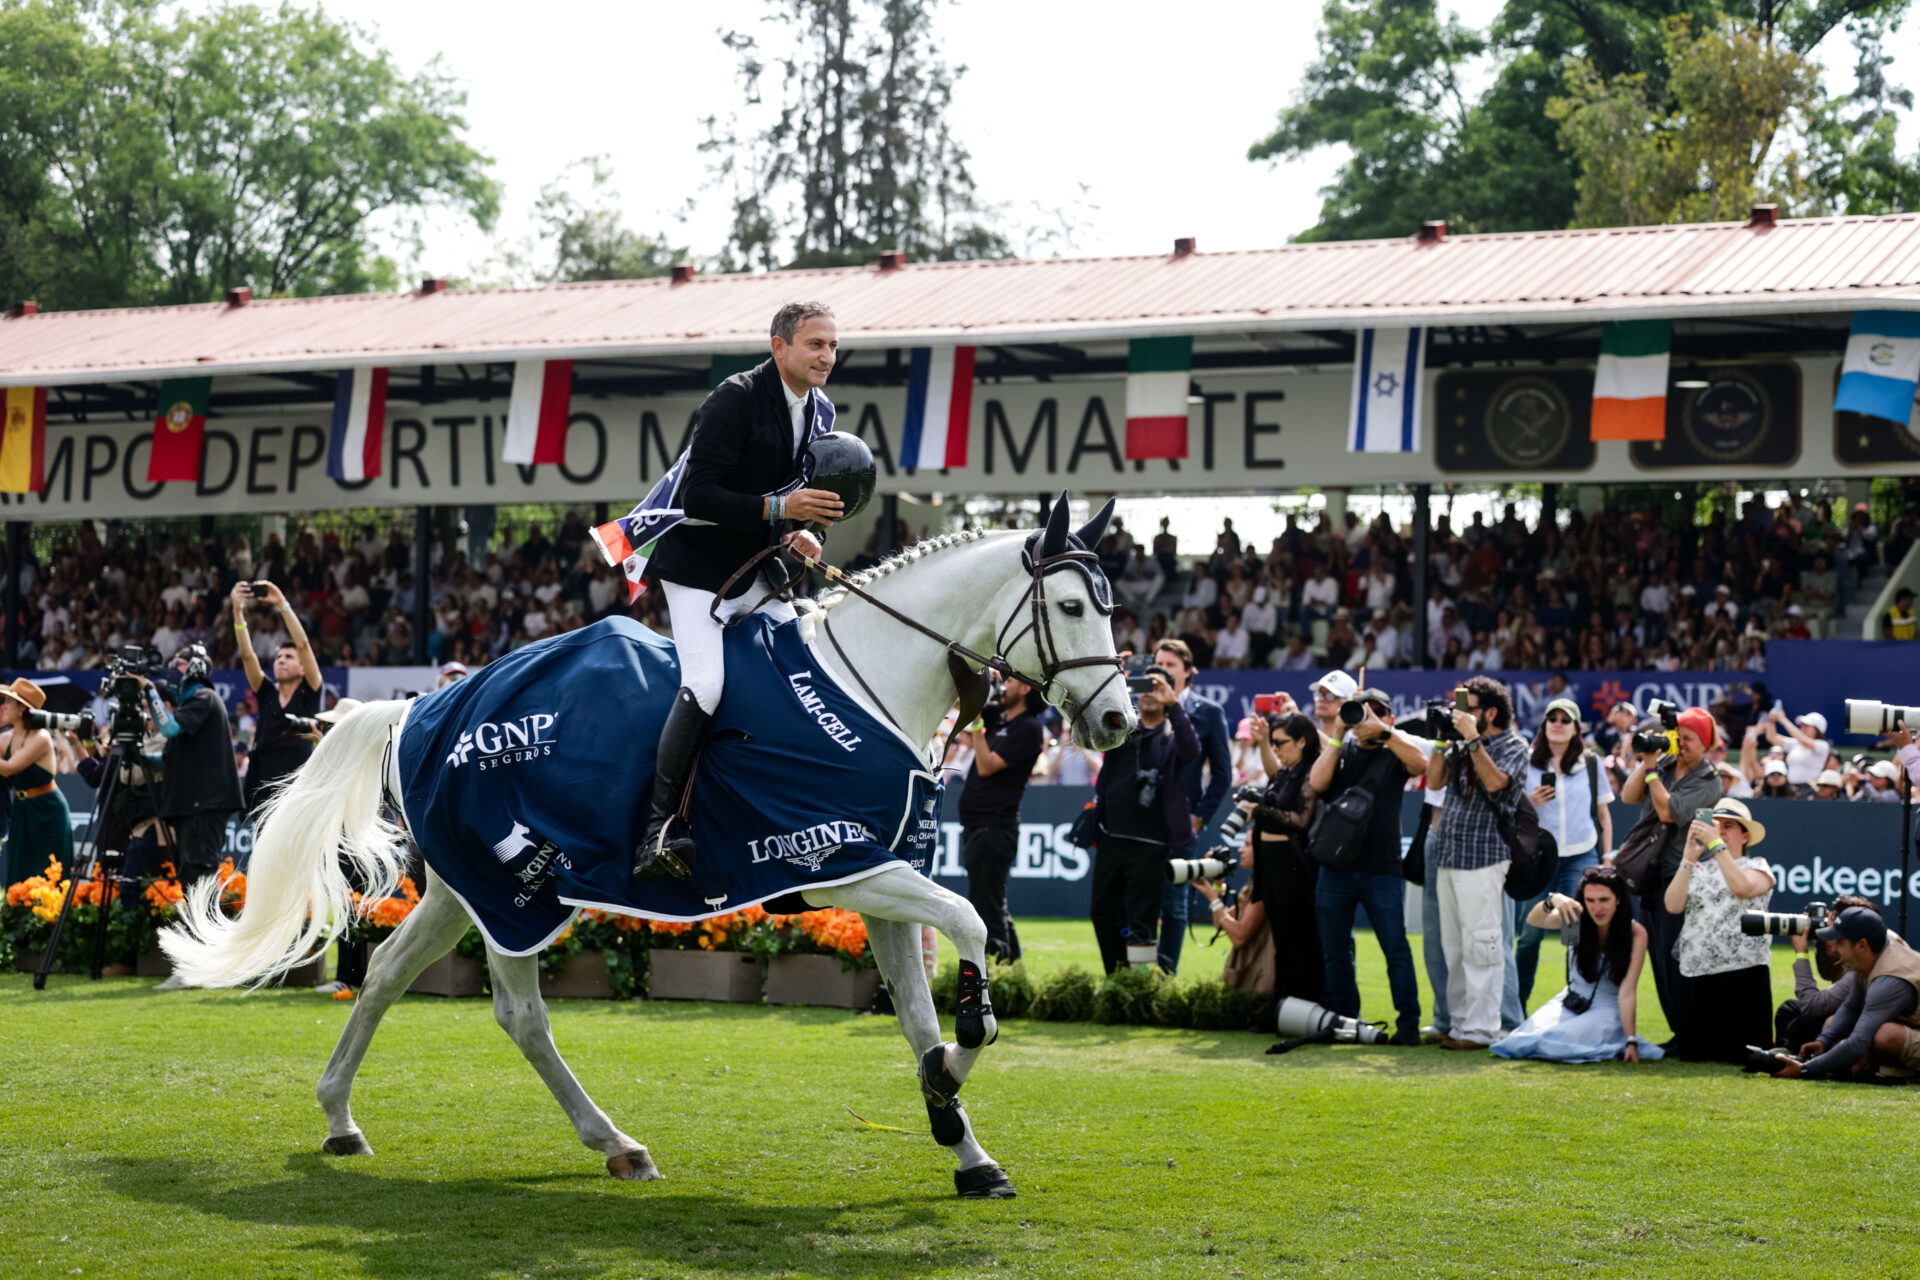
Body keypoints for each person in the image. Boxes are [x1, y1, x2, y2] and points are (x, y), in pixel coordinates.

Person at [624, 300, 847, 882]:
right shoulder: (735, 398)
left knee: (809, 663)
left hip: (758, 563)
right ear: (780, 347)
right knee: (708, 681)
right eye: (815, 345)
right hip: (698, 566)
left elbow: (801, 500)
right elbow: (699, 496)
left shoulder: (821, 409)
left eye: (832, 345)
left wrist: (805, 532)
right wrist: (781, 509)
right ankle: (659, 827)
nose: (827, 356)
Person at [1305, 686, 1429, 1044]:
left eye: (1377, 711)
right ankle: (1347, 1023)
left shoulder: (1394, 751)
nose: (1367, 717)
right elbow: (1317, 783)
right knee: (1335, 952)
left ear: (1389, 717)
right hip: (1335, 869)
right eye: (1362, 711)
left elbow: (1420, 764)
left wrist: (1384, 733)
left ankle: (1408, 1025)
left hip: (1383, 870)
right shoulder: (1339, 750)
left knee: (1395, 949)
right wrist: (1340, 731)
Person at [1425, 675, 1529, 1051]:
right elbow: (1433, 782)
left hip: (1484, 857)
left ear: (1490, 712)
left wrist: (1471, 739)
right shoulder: (1456, 745)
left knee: (1482, 945)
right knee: (1453, 946)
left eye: (1467, 709)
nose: (1459, 715)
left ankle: (1483, 1030)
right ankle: (1460, 1025)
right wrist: (1440, 737)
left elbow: (1497, 782)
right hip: (1450, 854)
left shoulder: (1514, 746)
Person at [1618, 704, 1722, 1046]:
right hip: (1651, 873)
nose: (1683, 743)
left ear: (1705, 744)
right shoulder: (1663, 763)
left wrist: (1650, 770)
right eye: (1680, 736)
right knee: (1657, 957)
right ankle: (1679, 1031)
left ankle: (1690, 1031)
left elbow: (1667, 812)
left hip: (1680, 876)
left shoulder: (1709, 781)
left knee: (1676, 955)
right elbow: (1628, 796)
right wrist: (1648, 758)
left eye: (1690, 738)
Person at [1495, 866, 1662, 1063]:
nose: (1597, 908)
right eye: (1590, 900)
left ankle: (1608, 1039)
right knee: (1521, 1040)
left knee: (1558, 1041)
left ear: (1618, 899)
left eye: (1604, 900)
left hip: (1608, 1007)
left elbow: (1627, 992)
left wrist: (1631, 1041)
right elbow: (1535, 920)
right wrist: (1552, 900)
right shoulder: (1574, 920)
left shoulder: (1636, 933)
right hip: (1571, 1001)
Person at [1090, 666, 1198, 972]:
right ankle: (1116, 978)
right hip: (1111, 839)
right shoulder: (1121, 729)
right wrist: (1109, 679)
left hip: (1151, 845)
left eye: (1157, 686)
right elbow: (1090, 719)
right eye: (1144, 685)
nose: (1149, 692)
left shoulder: (1173, 736)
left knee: (1142, 920)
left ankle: (1138, 986)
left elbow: (1192, 750)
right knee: (1102, 912)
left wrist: (1174, 705)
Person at [1513, 698, 1614, 1005]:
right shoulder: (1525, 760)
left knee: (1576, 933)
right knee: (1530, 934)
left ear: (1575, 728)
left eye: (1565, 719)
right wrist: (1532, 801)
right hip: (1538, 858)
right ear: (1544, 725)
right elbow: (1510, 810)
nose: (1558, 723)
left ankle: (1577, 1001)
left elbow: (1604, 816)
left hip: (1581, 856)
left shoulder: (1591, 763)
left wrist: (1607, 858)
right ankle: (1516, 1008)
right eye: (1552, 718)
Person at [1663, 798, 1776, 1062]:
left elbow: (1742, 888)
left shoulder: (1757, 865)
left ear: (1745, 836)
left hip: (1743, 974)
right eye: (1715, 825)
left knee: (1740, 1055)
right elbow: (1672, 905)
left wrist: (1716, 845)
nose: (1720, 830)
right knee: (1692, 1054)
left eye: (1728, 826)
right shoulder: (1697, 868)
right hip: (1698, 971)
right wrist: (1688, 858)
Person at [956, 677, 1045, 963]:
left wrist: (979, 725)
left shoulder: (1029, 728)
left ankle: (992, 976)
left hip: (994, 827)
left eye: (1010, 678)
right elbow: (963, 699)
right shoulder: (1000, 717)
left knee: (987, 908)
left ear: (1025, 688)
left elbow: (986, 766)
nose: (1005, 682)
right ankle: (1013, 975)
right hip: (979, 826)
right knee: (995, 905)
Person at [1154, 639, 1230, 973]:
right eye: (1159, 663)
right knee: (1136, 901)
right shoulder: (1139, 705)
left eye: (1170, 664)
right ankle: (1134, 978)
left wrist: (1199, 816)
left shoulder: (1208, 712)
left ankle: (1165, 977)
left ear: (1187, 671)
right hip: (1141, 820)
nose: (1164, 670)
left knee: (1174, 903)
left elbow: (1223, 775)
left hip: (1182, 824)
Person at [1776, 907, 1920, 1080]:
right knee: (1833, 1025)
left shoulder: (1889, 980)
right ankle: (1877, 1067)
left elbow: (1859, 1043)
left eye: (1840, 942)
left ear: (1861, 945)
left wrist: (1805, 1069)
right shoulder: (1873, 955)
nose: (1834, 948)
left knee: (1883, 1035)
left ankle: (1901, 1072)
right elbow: (1852, 1006)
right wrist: (1823, 1040)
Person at [1244, 711, 1325, 1005]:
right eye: (1272, 742)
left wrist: (1259, 810)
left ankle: (1306, 1006)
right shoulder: (1285, 773)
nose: (1275, 747)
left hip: (1293, 864)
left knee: (1299, 939)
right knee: (1280, 940)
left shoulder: (1311, 770)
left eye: (1281, 742)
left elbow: (1301, 819)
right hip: (1270, 865)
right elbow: (1272, 769)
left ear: (1302, 741)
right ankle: (1281, 1007)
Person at [230, 581, 322, 818]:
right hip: (263, 794)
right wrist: (237, 611)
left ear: (303, 668)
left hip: (298, 796)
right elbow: (247, 656)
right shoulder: (266, 693)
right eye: (279, 656)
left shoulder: (310, 693)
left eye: (289, 657)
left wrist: (282, 604)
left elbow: (302, 644)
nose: (281, 660)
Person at [1774, 895, 1884, 1049]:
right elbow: (1828, 973)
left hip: (1859, 1023)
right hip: (1849, 1013)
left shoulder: (1860, 966)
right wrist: (1820, 935)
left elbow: (1812, 1005)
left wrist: (1801, 953)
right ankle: (1789, 1050)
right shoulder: (1856, 947)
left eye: (1832, 929)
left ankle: (1800, 1055)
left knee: (1804, 1026)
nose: (1828, 932)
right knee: (1789, 1009)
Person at [0, 679, 74, 890]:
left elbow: (10, 767)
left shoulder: (41, 738)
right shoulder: (5, 738)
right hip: (22, 811)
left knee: (50, 878)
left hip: (48, 812)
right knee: (20, 874)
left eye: (8, 702)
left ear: (23, 708)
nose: (3, 706)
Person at [1191, 833, 1274, 1000]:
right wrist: (1218, 885)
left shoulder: (1264, 886)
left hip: (1260, 977)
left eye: (1248, 845)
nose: (1240, 849)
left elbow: (1240, 936)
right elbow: (1220, 924)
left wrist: (1213, 899)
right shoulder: (1254, 883)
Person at [1307, 669, 1357, 743]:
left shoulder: (1353, 738)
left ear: (1347, 703)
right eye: (1319, 693)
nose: (1321, 699)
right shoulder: (1309, 737)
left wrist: (1303, 724)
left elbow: (1335, 751)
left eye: (1330, 695)